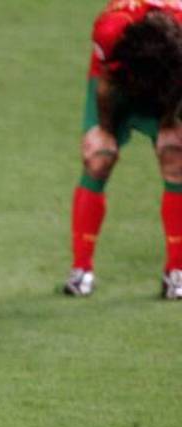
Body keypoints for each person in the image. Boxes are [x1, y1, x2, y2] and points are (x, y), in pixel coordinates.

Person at [64, 0, 182, 298]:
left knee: (176, 158)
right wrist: (104, 131)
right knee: (97, 160)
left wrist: (168, 124)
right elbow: (105, 83)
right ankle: (81, 270)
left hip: (171, 84)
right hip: (118, 82)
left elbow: (178, 85)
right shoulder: (110, 28)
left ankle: (176, 272)